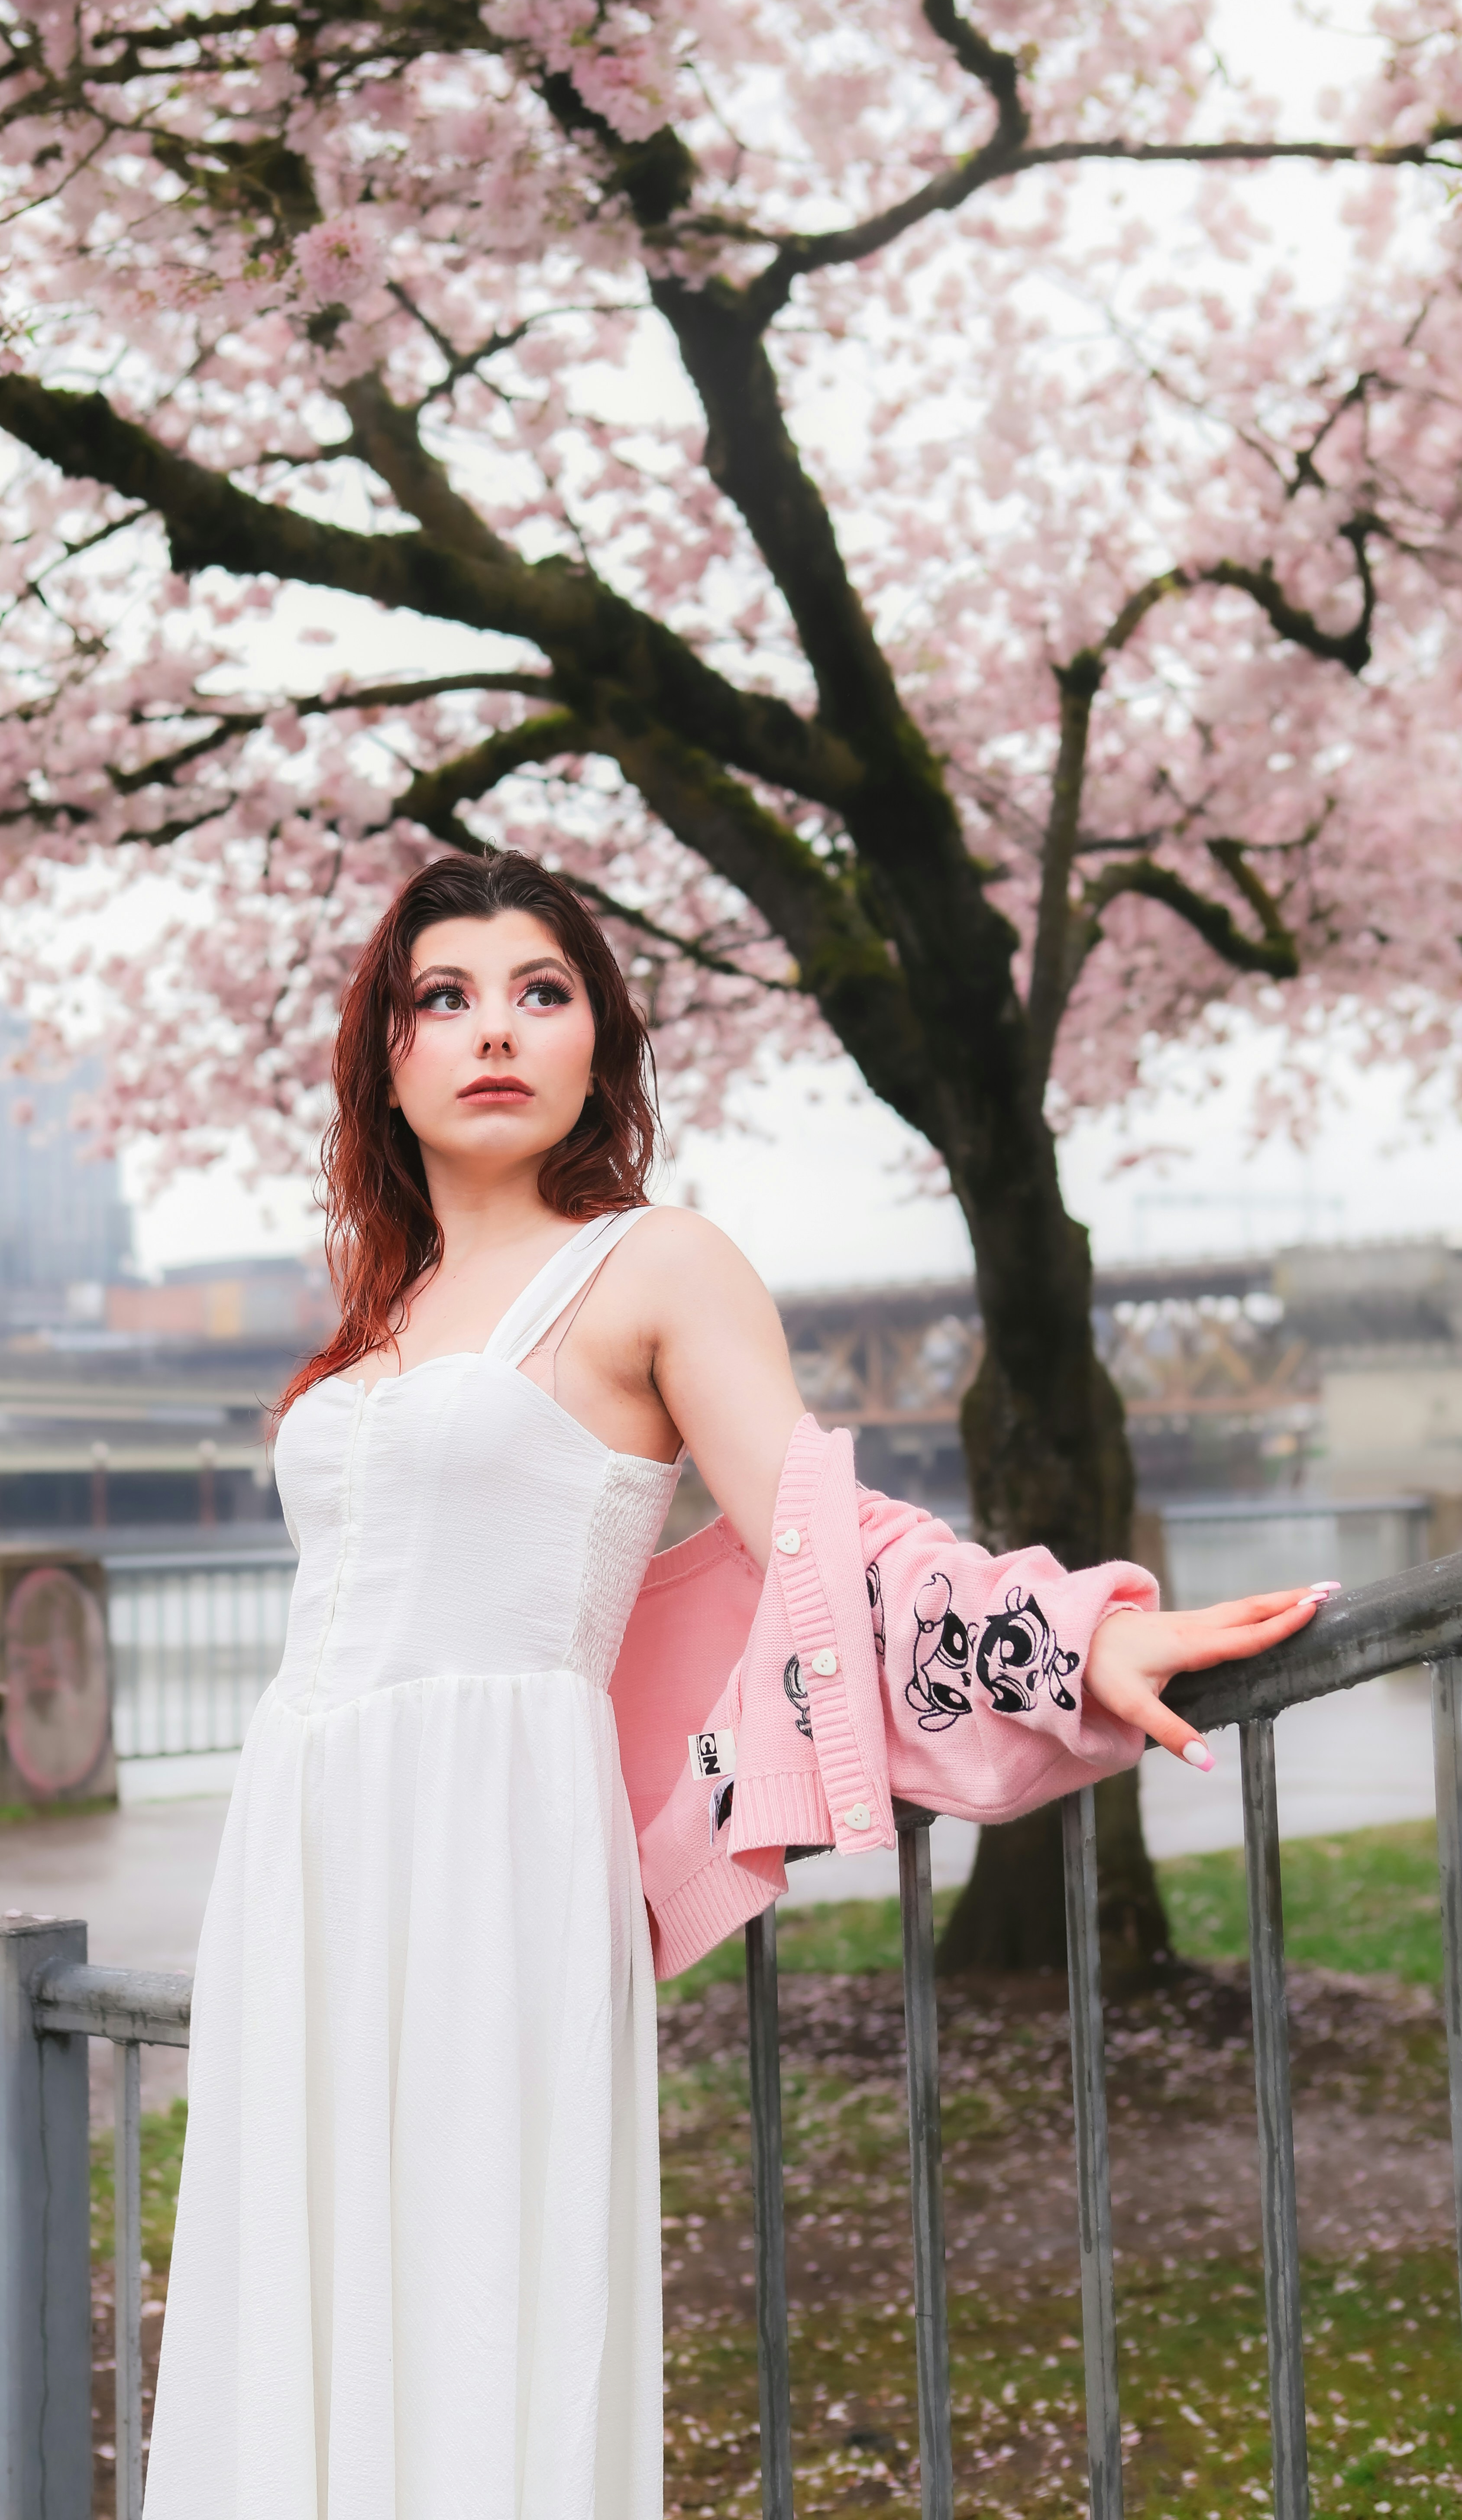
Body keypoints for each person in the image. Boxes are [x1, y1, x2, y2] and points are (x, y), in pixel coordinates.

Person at [144, 849, 1330, 2518]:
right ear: (385, 1061)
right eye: (445, 997)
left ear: (600, 1045)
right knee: (299, 2291)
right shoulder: (381, 1311)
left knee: (477, 2298)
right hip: (306, 1852)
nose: (497, 1029)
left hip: (496, 1851)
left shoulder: (654, 1264)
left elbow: (819, 1536)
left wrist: (1069, 1637)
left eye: (543, 991)